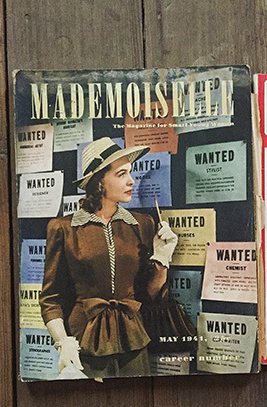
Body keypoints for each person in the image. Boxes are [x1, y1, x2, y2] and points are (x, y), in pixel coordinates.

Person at [40, 137, 179, 377]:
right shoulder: (63, 228)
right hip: (84, 339)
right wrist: (63, 343)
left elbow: (151, 295)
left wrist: (163, 259)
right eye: (121, 174)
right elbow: (51, 299)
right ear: (99, 181)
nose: (131, 180)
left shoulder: (142, 224)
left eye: (130, 173)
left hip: (133, 338)